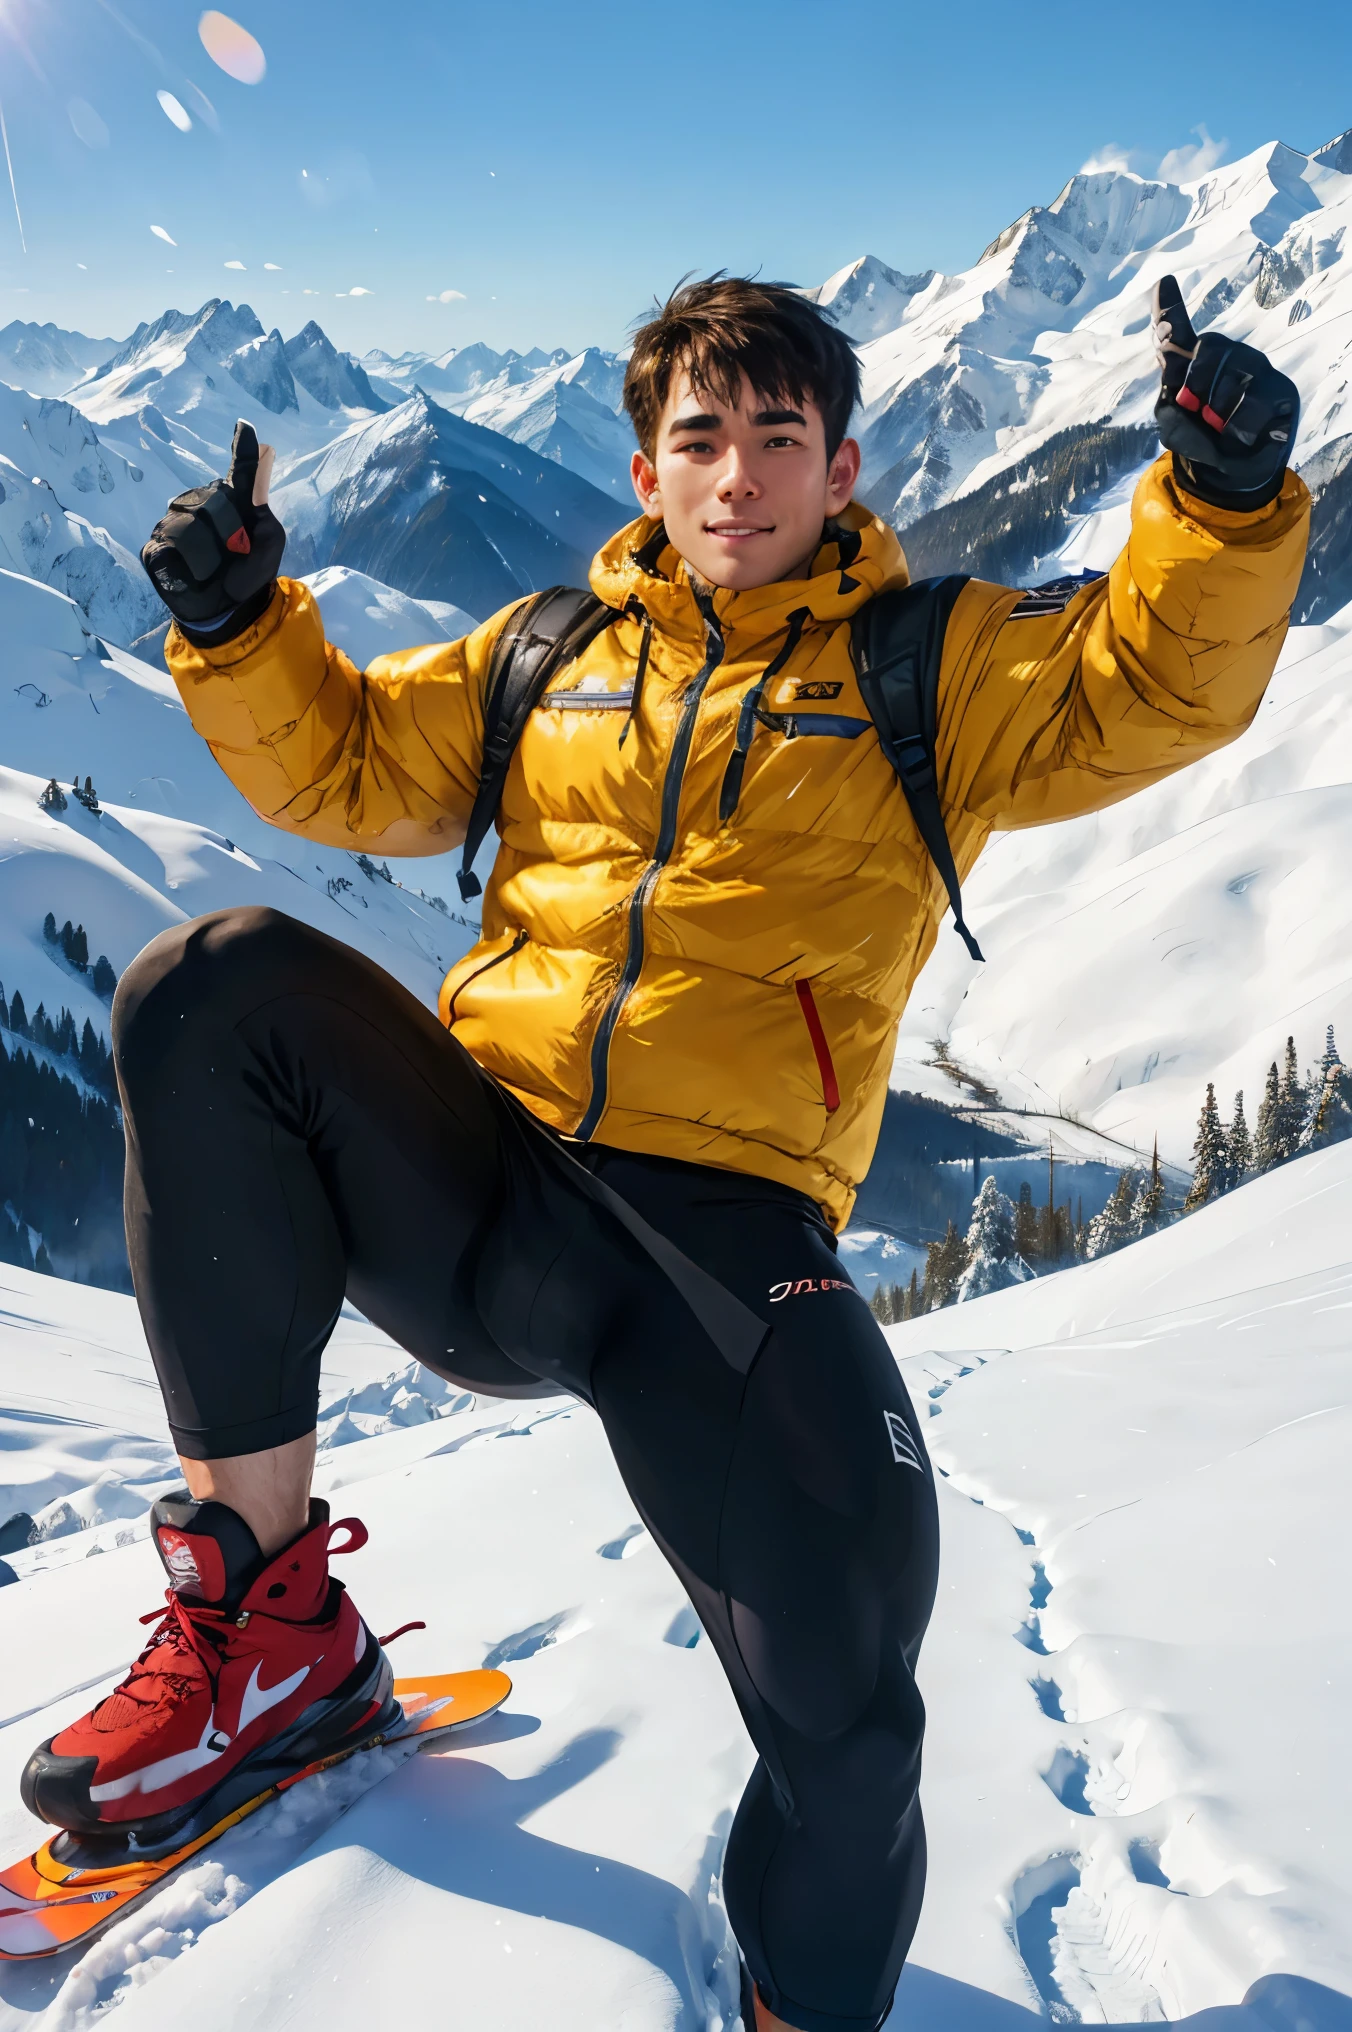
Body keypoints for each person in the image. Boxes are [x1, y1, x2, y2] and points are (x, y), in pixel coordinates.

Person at [22, 275, 1306, 2031]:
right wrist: (246, 632)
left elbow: (1155, 682)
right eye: (700, 437)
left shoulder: (937, 664)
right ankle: (270, 1631)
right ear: (645, 473)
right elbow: (347, 772)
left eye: (779, 438)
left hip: (707, 1239)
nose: (737, 476)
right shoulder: (548, 653)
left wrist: (1221, 510)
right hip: (473, 1176)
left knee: (854, 1698)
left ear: (843, 467)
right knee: (208, 981)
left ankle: (804, 2000)